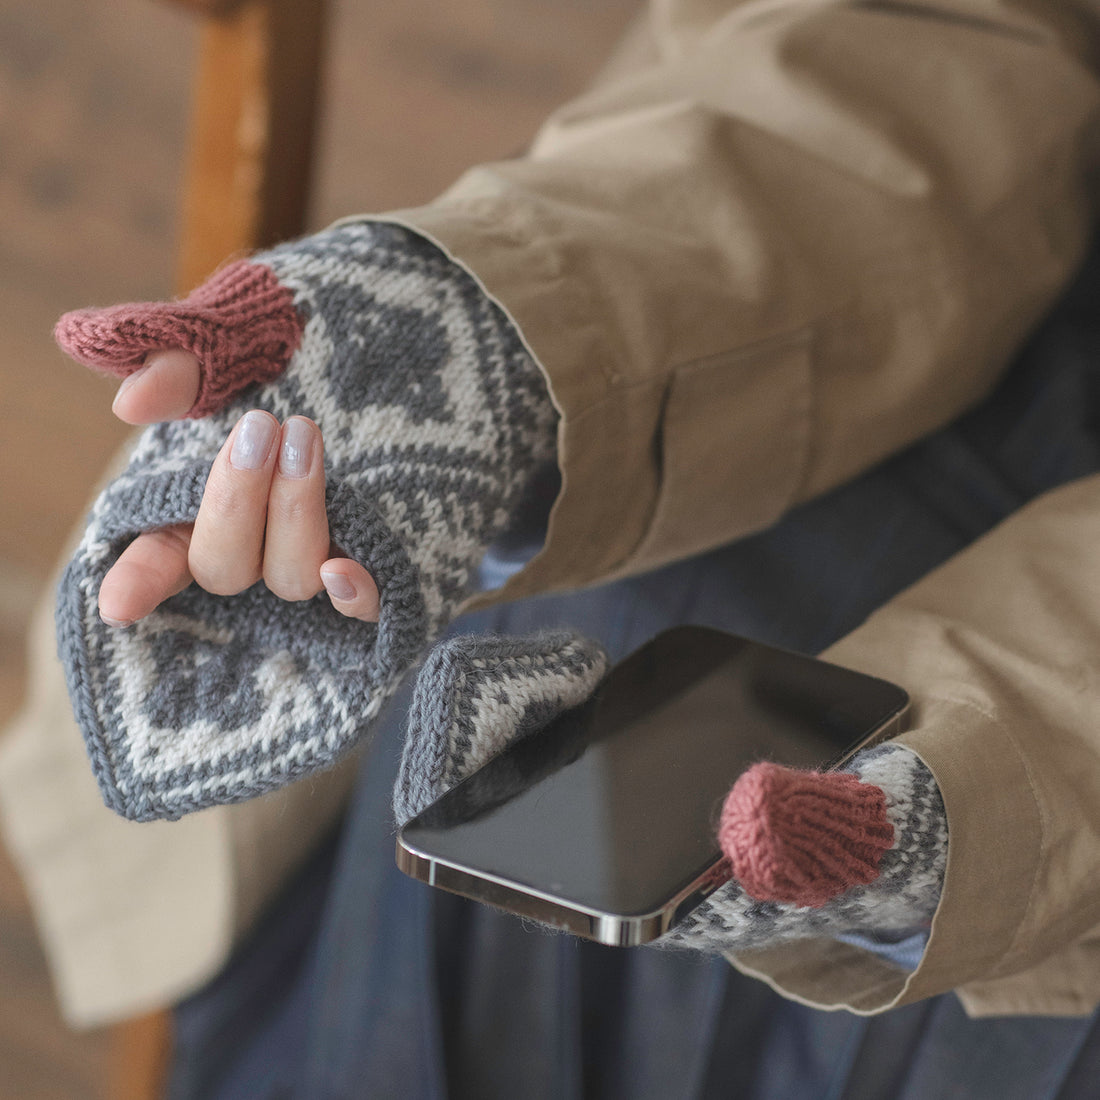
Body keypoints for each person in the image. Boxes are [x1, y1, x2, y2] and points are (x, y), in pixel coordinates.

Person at [6, 0, 1100, 1094]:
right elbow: (915, 38)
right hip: (847, 285)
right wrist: (501, 342)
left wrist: (978, 808)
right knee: (575, 694)